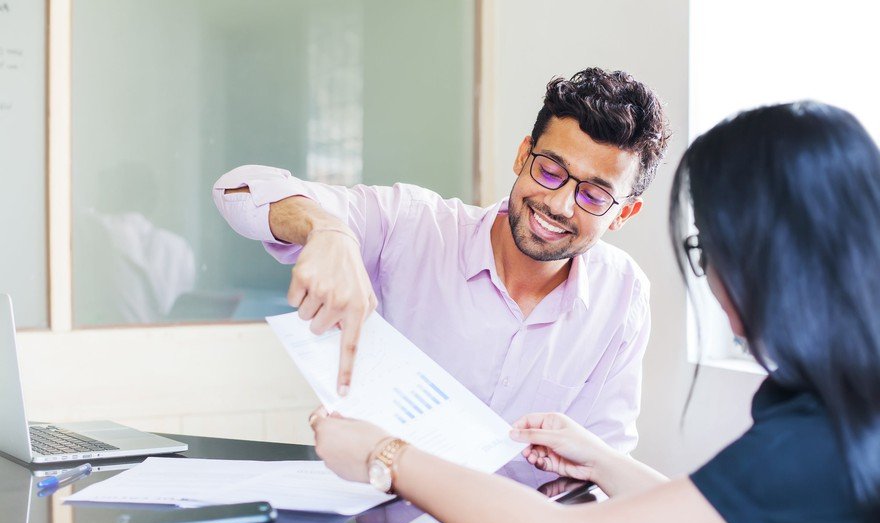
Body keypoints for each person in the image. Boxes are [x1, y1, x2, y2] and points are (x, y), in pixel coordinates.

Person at [310, 101, 880, 523]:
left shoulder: (822, 438)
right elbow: (706, 512)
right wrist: (599, 461)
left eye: (708, 250)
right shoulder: (843, 408)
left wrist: (386, 454)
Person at [213, 68, 670, 452]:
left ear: (624, 214)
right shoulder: (413, 226)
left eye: (593, 195)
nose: (559, 205)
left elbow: (603, 461)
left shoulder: (624, 295)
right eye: (549, 170)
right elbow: (238, 189)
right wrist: (326, 230)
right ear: (521, 155)